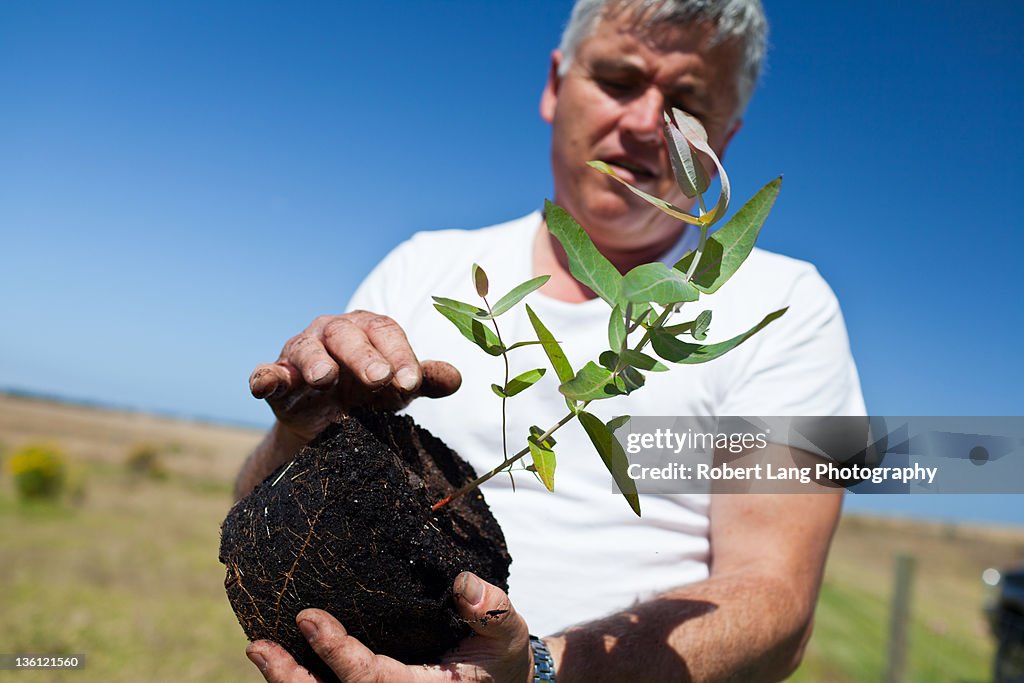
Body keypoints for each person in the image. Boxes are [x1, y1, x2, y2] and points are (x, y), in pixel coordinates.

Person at [235, 0, 865, 680]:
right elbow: (253, 515)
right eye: (619, 80)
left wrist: (537, 672)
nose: (648, 123)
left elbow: (779, 600)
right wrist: (298, 436)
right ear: (555, 84)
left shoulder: (791, 306)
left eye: (687, 104)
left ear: (723, 141)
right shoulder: (421, 267)